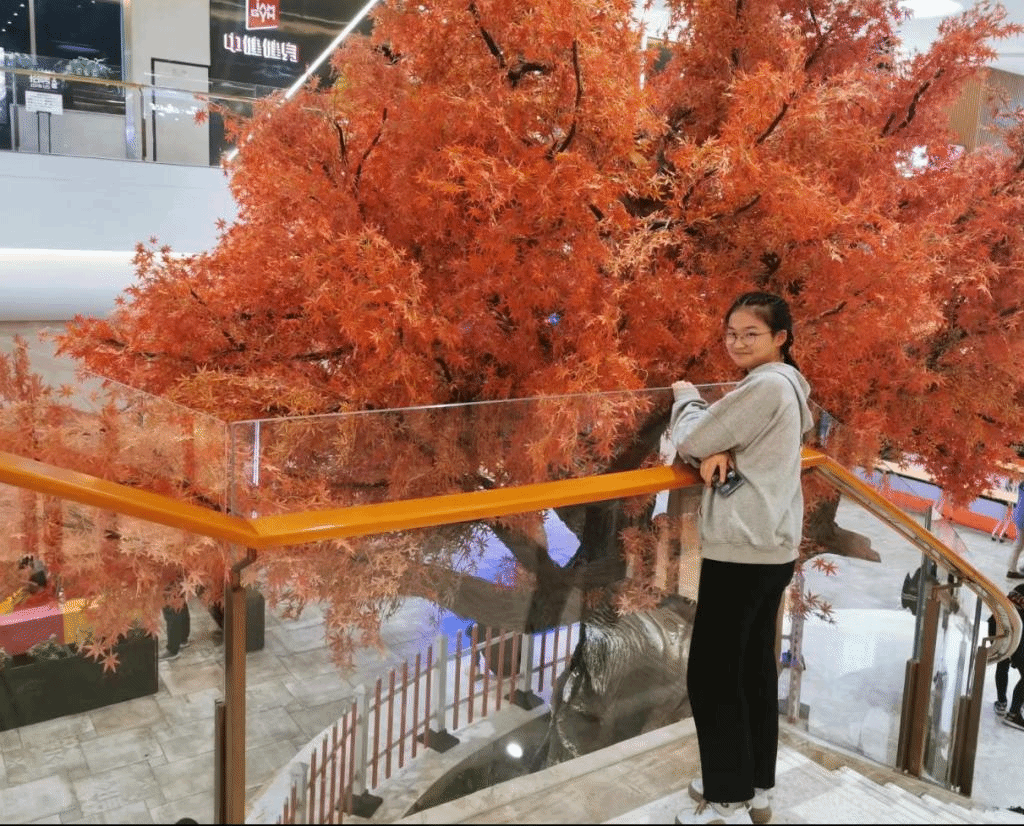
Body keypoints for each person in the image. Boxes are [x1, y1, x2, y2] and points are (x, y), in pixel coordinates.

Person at [669, 291, 814, 825]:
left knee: (712, 674)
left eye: (751, 334)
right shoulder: (788, 386)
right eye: (731, 334)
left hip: (742, 549)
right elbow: (727, 440)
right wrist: (722, 447)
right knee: (752, 668)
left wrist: (686, 398)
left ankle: (725, 798)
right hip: (771, 547)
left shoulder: (766, 386)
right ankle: (755, 788)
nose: (737, 343)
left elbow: (693, 435)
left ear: (780, 338)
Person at [991, 584, 1024, 728]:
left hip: (999, 627)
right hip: (1014, 633)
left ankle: (1001, 702)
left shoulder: (1020, 587)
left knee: (1003, 663)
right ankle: (1013, 714)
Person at [161, 567, 191, 661]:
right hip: (178, 566)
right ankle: (182, 638)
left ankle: (172, 649)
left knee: (171, 607)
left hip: (167, 568)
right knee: (179, 599)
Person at [1007, 482, 1024, 579]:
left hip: (1019, 515)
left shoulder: (1022, 485)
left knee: (1019, 545)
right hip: (1022, 518)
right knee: (1018, 545)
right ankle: (1011, 570)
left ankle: (1012, 569)